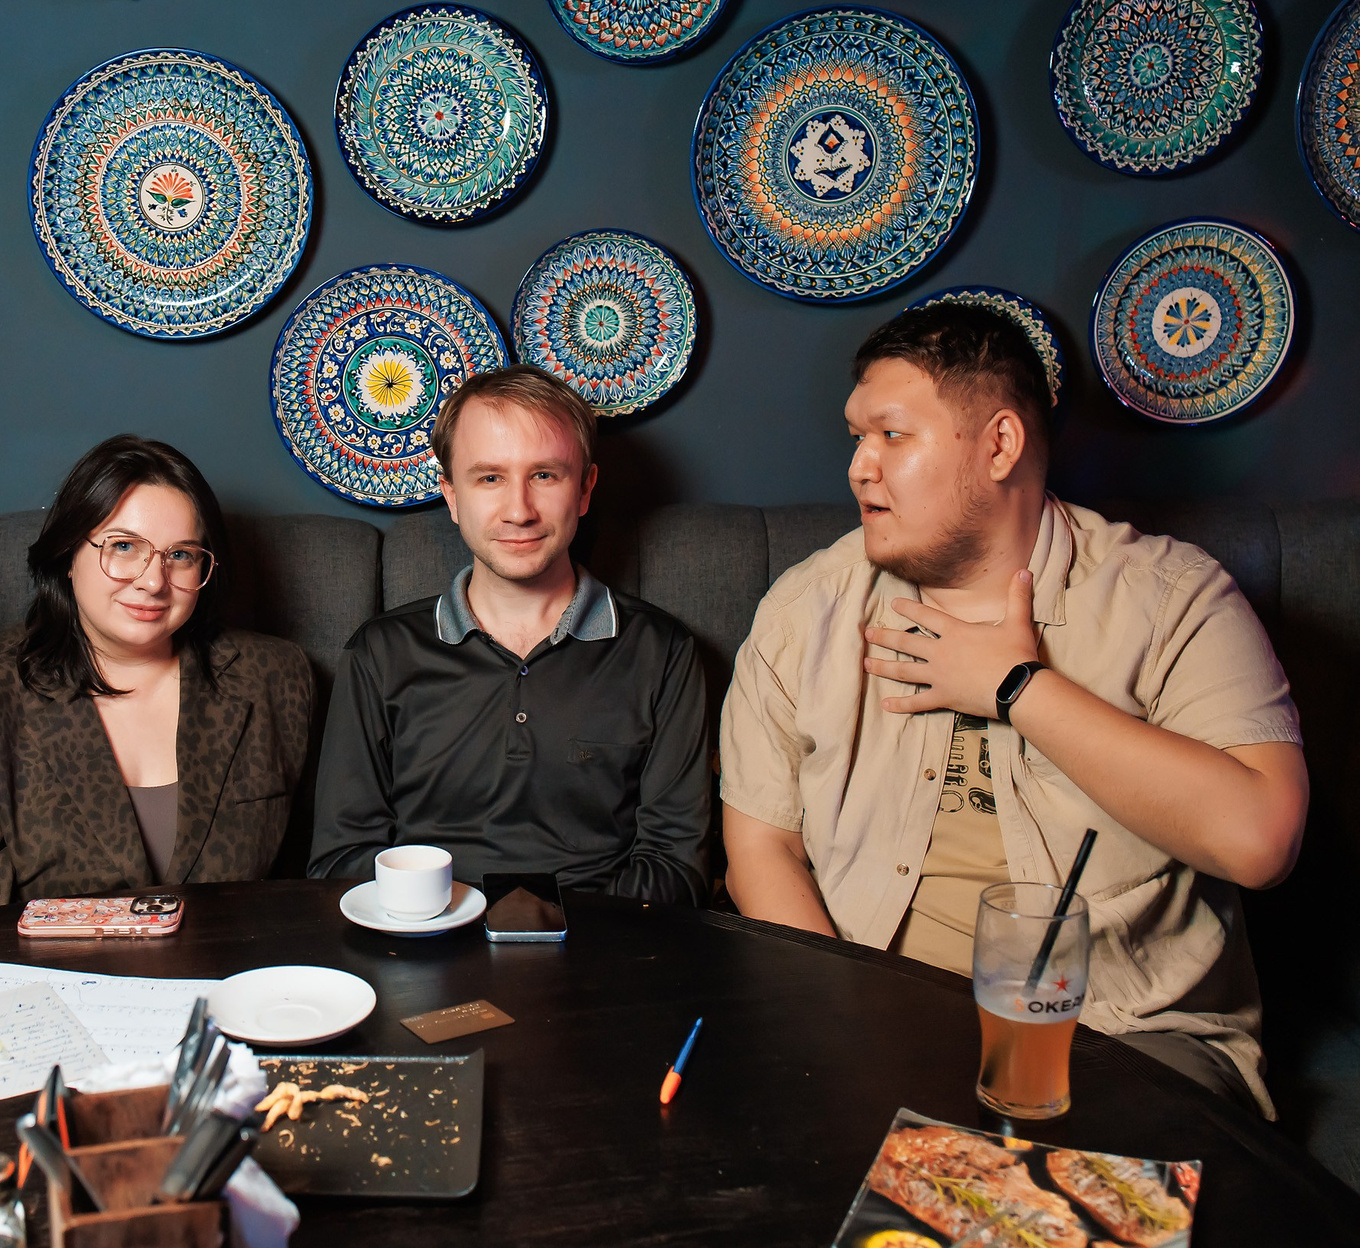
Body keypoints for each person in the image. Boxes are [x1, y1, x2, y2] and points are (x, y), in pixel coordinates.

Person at [718, 302, 1307, 1116]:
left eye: (892, 435)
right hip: (875, 1013)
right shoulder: (804, 610)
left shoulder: (1173, 599)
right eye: (857, 437)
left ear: (999, 445)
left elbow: (1260, 840)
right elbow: (761, 845)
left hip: (1125, 1039)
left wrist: (1018, 689)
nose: (859, 466)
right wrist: (841, 1016)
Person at [309, 365, 711, 905]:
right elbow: (340, 862)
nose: (519, 511)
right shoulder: (380, 654)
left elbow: (676, 869)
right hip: (426, 936)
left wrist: (545, 929)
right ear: (451, 495)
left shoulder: (662, 652)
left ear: (585, 489)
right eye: (490, 478)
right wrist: (456, 920)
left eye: (544, 475)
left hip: (602, 943)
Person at [0, 436, 312, 910]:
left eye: (181, 555)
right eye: (124, 546)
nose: (153, 581)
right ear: (68, 553)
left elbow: (303, 893)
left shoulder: (275, 675)